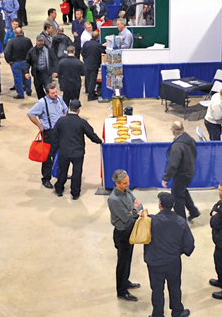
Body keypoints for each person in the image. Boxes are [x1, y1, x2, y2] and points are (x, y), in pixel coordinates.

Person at [144, 192, 195, 317]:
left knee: (157, 290)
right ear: (173, 205)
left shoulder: (150, 221)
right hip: (173, 262)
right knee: (175, 287)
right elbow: (189, 245)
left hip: (155, 263)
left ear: (159, 205)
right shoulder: (181, 222)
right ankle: (177, 311)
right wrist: (178, 252)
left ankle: (157, 314)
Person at [53, 100, 102, 199]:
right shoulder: (82, 122)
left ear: (69, 107)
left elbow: (55, 135)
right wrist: (100, 141)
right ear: (79, 109)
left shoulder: (61, 120)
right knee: (77, 173)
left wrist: (56, 148)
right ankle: (75, 193)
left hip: (64, 151)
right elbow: (91, 135)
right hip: (77, 152)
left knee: (62, 171)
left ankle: (59, 189)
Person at [108, 170, 145, 302]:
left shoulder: (126, 191)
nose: (128, 184)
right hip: (122, 233)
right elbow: (128, 218)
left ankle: (125, 281)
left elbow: (139, 204)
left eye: (128, 181)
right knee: (122, 262)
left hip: (130, 231)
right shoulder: (114, 200)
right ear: (117, 184)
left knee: (128, 259)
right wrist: (135, 211)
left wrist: (134, 210)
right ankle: (121, 290)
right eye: (124, 183)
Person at [27, 83, 69, 188]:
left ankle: (60, 173)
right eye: (52, 93)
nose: (55, 94)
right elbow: (30, 114)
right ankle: (46, 178)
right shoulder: (42, 103)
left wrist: (64, 120)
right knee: (47, 156)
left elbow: (65, 110)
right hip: (49, 132)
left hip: (60, 131)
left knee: (60, 154)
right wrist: (39, 125)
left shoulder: (59, 99)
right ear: (47, 93)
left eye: (56, 92)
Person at [162, 121, 200, 221]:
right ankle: (193, 211)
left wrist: (166, 178)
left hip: (182, 174)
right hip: (189, 171)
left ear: (174, 131)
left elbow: (172, 164)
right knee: (181, 190)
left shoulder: (177, 146)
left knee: (176, 197)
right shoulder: (190, 139)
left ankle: (180, 221)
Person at [4, 27, 33, 99]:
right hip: (26, 62)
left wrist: (9, 61)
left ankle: (20, 94)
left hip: (16, 63)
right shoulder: (27, 40)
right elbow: (31, 51)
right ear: (22, 32)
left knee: (18, 79)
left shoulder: (11, 41)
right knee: (27, 76)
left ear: (15, 33)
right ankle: (28, 90)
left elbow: (7, 52)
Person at [26, 35, 55, 99]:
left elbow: (54, 60)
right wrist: (26, 72)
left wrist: (55, 71)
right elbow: (28, 61)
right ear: (36, 41)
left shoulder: (48, 50)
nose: (40, 43)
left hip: (46, 73)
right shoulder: (32, 51)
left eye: (41, 41)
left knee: (49, 89)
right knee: (39, 90)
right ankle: (43, 102)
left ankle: (50, 101)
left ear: (44, 41)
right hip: (37, 73)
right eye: (39, 41)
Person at [82, 29, 104, 101]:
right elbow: (104, 51)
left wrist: (85, 59)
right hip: (94, 64)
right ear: (98, 37)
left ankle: (87, 90)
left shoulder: (86, 44)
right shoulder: (98, 45)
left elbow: (82, 52)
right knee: (92, 79)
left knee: (87, 78)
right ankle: (91, 96)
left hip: (87, 63)